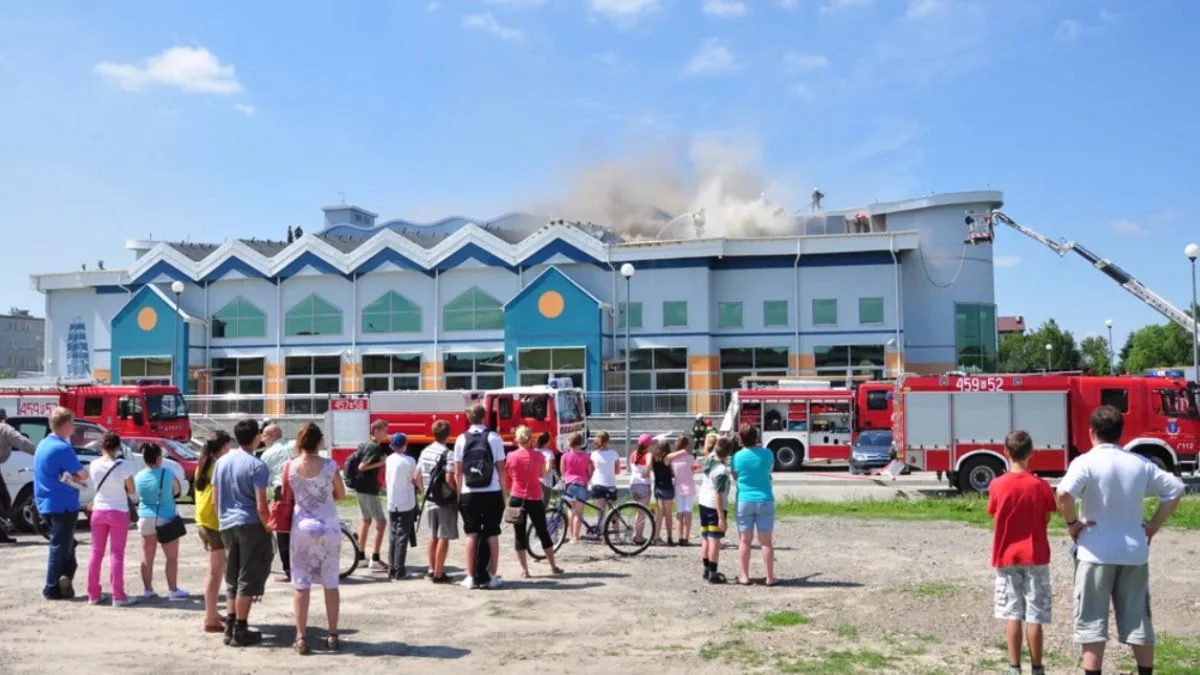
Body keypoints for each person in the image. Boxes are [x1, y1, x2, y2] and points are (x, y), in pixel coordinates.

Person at [1057, 405, 1185, 675]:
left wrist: (1072, 523)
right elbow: (1175, 489)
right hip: (1133, 552)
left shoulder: (1085, 462)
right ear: (1120, 433)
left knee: (1092, 623)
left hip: (1095, 551)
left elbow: (1064, 494)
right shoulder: (1139, 463)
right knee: (1138, 620)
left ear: (1091, 432)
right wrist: (1153, 525)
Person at [987, 431, 1057, 675]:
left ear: (1006, 452)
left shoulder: (997, 484)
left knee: (1012, 613)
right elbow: (1047, 517)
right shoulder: (1041, 486)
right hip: (1035, 554)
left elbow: (994, 513)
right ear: (1031, 453)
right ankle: (1037, 667)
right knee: (1035, 615)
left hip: (1006, 555)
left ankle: (1014, 667)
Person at [213, 418, 274, 647]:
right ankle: (241, 626)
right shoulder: (257, 465)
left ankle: (230, 624)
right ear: (256, 437)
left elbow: (215, 499)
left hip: (226, 523)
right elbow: (261, 505)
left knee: (232, 575)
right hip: (250, 524)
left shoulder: (221, 462)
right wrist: (269, 526)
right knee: (247, 576)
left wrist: (222, 520)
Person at [288, 423, 345, 655]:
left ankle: (301, 636)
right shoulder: (330, 465)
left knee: (301, 582)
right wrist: (324, 497)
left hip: (302, 526)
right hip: (328, 525)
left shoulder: (290, 466)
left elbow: (287, 496)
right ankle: (332, 634)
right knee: (330, 581)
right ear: (319, 441)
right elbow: (341, 494)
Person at [34, 407, 89, 599]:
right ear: (65, 425)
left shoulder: (43, 444)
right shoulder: (62, 448)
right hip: (63, 504)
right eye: (72, 424)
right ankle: (52, 587)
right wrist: (78, 475)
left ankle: (64, 579)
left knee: (67, 545)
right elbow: (83, 474)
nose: (73, 428)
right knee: (60, 546)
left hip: (46, 502)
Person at [453, 403, 508, 590]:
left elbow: (458, 471)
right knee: (492, 533)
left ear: (468, 418)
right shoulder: (494, 438)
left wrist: (459, 495)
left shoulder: (461, 439)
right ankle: (492, 576)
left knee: (471, 534)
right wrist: (503, 494)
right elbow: (501, 469)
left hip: (469, 492)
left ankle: (470, 577)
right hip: (492, 491)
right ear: (484, 417)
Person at [85, 431, 137, 606]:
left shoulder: (93, 464)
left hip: (98, 510)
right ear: (118, 447)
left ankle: (93, 594)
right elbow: (131, 490)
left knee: (96, 552)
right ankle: (118, 595)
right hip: (118, 511)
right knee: (116, 554)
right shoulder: (123, 466)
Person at [134, 443, 188, 601]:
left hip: (145, 517)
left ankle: (148, 590)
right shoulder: (168, 473)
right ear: (159, 458)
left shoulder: (139, 476)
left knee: (147, 557)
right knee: (171, 557)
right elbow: (177, 491)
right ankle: (173, 590)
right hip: (166, 517)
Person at [507, 425, 563, 578]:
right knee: (543, 531)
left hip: (516, 497)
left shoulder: (511, 456)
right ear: (530, 439)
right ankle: (553, 566)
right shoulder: (538, 456)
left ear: (517, 439)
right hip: (534, 497)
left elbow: (510, 475)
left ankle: (524, 570)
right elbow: (542, 474)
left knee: (519, 534)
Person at [194, 430, 232, 633]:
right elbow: (218, 498)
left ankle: (213, 612)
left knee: (214, 571)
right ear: (224, 447)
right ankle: (210, 618)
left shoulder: (203, 463)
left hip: (203, 521)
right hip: (214, 523)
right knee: (215, 573)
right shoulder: (219, 466)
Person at [731, 424, 776, 586]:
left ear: (741, 439)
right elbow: (770, 470)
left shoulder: (737, 457)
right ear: (756, 437)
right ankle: (769, 577)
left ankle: (744, 576)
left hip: (744, 499)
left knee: (745, 541)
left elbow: (735, 476)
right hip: (765, 499)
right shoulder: (767, 453)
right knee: (766, 542)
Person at [416, 420, 457, 583]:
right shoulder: (448, 454)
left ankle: (431, 569)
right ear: (448, 434)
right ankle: (439, 574)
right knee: (443, 535)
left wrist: (424, 491)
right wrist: (454, 492)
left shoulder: (425, 451)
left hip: (430, 499)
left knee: (432, 534)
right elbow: (449, 479)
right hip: (444, 500)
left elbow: (416, 476)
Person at [384, 433, 422, 580]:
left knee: (393, 535)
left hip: (392, 501)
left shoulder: (389, 459)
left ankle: (392, 568)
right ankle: (400, 570)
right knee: (402, 537)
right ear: (405, 445)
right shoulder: (410, 461)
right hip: (406, 502)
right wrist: (421, 489)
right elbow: (414, 479)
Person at [355, 420, 390, 571]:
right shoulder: (375, 446)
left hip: (360, 487)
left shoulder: (365, 445)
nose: (386, 434)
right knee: (381, 522)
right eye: (384, 431)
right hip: (368, 489)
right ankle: (375, 558)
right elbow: (362, 467)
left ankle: (360, 557)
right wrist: (381, 463)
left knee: (366, 521)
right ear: (376, 431)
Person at [259, 423, 293, 582]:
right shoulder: (294, 445)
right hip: (302, 489)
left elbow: (263, 481)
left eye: (264, 436)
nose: (262, 439)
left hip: (282, 492)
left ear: (274, 435)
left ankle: (289, 571)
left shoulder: (267, 454)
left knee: (283, 531)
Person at [698, 436, 733, 584]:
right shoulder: (722, 471)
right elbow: (718, 494)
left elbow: (714, 447)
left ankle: (706, 569)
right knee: (714, 540)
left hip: (703, 502)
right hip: (714, 506)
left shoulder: (709, 459)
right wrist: (721, 518)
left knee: (705, 537)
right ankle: (713, 573)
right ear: (728, 453)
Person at [0, 408, 36, 543]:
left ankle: (1, 535)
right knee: (4, 500)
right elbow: (22, 442)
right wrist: (39, 453)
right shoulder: (4, 428)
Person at [650, 438, 690, 546]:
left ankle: (656, 536)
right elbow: (683, 451)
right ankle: (669, 537)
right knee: (668, 514)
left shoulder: (654, 458)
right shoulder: (667, 458)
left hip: (658, 487)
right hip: (667, 487)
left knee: (660, 513)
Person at [559, 432, 592, 544]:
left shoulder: (565, 456)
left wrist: (566, 479)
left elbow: (563, 473)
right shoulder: (586, 456)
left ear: (569, 442)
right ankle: (576, 536)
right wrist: (587, 479)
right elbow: (589, 471)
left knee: (571, 510)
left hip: (569, 485)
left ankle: (571, 534)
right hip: (581, 484)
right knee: (579, 513)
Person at [672, 436, 699, 545]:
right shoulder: (690, 458)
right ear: (686, 445)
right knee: (688, 512)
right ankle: (686, 538)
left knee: (680, 512)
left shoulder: (673, 459)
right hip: (689, 486)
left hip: (678, 486)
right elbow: (693, 470)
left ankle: (679, 537)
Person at [627, 433, 654, 542]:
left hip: (633, 484)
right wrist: (646, 473)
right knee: (642, 512)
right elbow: (649, 465)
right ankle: (638, 536)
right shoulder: (648, 454)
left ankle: (636, 534)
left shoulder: (633, 454)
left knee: (638, 511)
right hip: (644, 484)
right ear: (649, 444)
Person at [588, 430, 620, 515]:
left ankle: (601, 523)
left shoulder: (593, 454)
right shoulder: (614, 454)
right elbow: (618, 471)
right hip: (610, 483)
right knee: (613, 512)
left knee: (601, 512)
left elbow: (591, 470)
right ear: (608, 441)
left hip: (597, 483)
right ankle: (615, 523)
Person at [535, 432, 557, 510]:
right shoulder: (549, 453)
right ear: (547, 442)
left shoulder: (534, 451)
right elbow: (547, 469)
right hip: (545, 483)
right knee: (543, 507)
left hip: (534, 482)